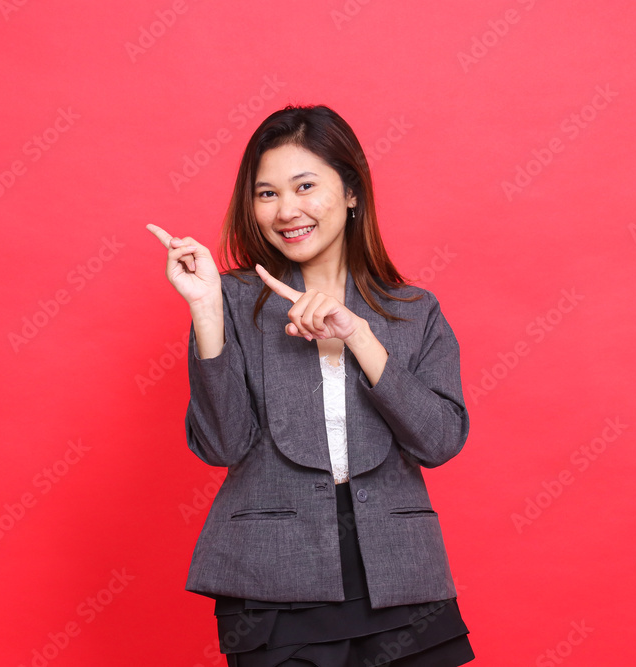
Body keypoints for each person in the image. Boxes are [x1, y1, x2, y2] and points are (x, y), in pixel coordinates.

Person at [147, 104, 474, 666]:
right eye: (267, 193)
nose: (286, 211)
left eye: (304, 186)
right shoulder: (231, 300)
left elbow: (439, 441)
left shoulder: (414, 310)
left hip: (400, 572)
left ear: (351, 192)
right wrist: (206, 311)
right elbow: (222, 445)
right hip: (273, 579)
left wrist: (359, 335)